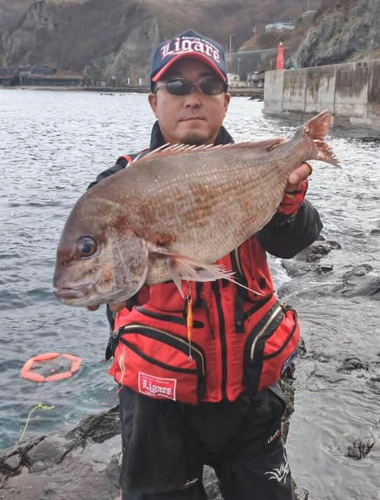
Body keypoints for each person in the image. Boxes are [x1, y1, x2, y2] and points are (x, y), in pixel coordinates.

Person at [89, 30, 322, 500]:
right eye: (176, 86)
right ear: (154, 102)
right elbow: (98, 273)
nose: (192, 98)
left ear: (226, 101)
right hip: (158, 399)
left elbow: (296, 242)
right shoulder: (117, 185)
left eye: (207, 86)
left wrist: (288, 205)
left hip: (251, 390)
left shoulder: (258, 164)